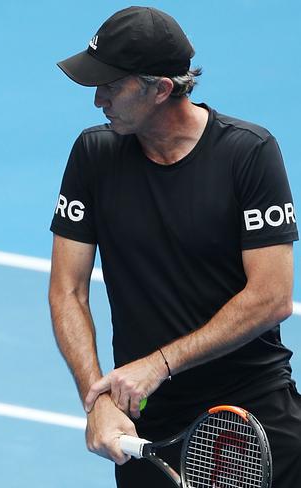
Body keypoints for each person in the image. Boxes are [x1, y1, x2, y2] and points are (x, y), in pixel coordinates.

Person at [49, 6, 301, 488]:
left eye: (111, 85)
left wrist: (160, 364)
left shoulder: (249, 153)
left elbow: (271, 298)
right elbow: (68, 290)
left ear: (161, 88)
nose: (97, 99)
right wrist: (96, 400)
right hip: (147, 419)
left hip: (254, 416)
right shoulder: (93, 155)